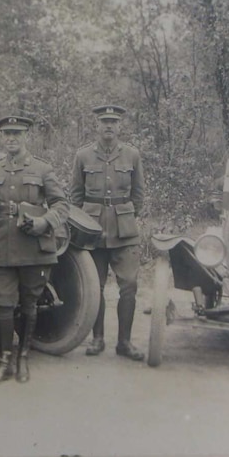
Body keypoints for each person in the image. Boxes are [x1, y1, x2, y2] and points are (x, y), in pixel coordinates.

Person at [0, 116, 69, 385]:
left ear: (26, 136)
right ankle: (4, 361)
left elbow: (62, 205)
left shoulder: (42, 169)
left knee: (29, 304)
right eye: (7, 134)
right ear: (2, 137)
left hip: (33, 246)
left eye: (17, 133)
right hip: (3, 246)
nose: (11, 138)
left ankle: (23, 359)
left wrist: (44, 222)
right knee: (4, 304)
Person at [70, 105, 145, 361]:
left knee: (129, 286)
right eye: (104, 121)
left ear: (120, 125)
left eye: (113, 121)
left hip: (124, 231)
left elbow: (138, 195)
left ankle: (124, 342)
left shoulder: (132, 155)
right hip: (93, 230)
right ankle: (97, 338)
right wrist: (83, 225)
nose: (109, 126)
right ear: (97, 125)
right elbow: (76, 196)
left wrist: (126, 216)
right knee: (95, 286)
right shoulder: (83, 156)